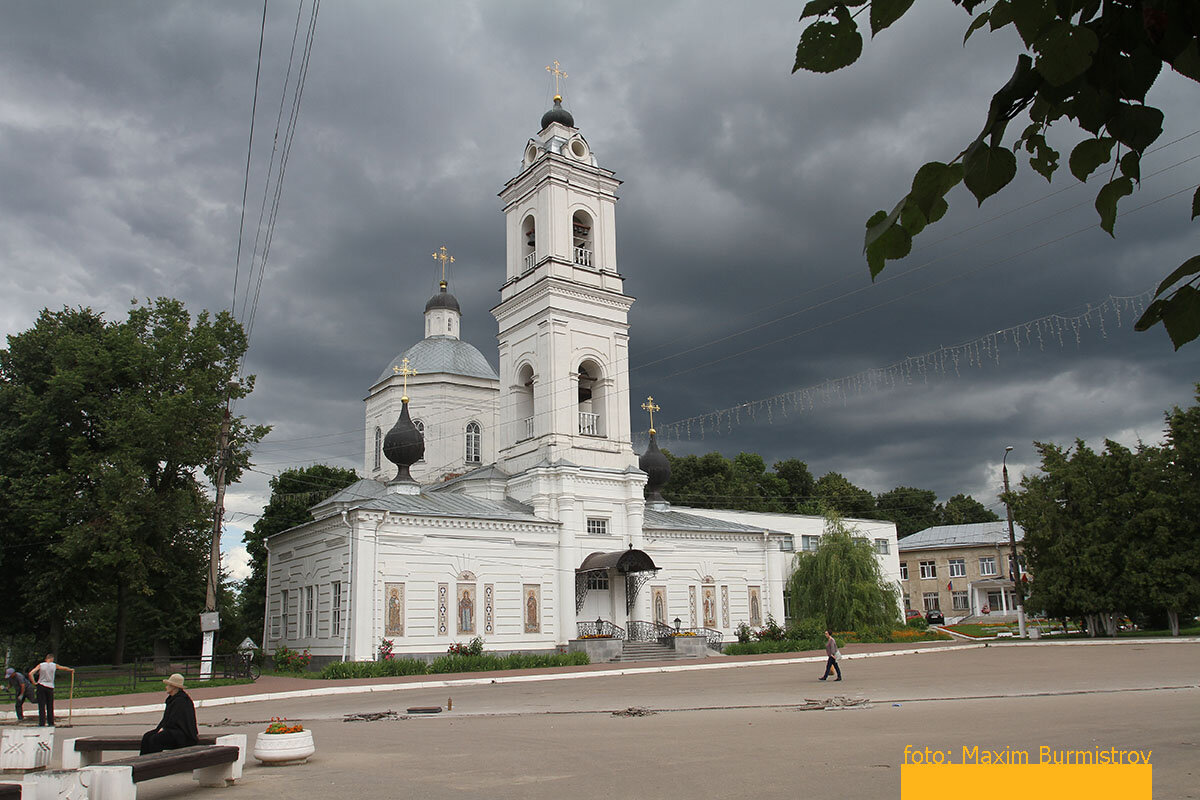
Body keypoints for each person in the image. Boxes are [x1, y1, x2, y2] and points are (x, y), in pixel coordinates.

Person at [139, 673, 199, 755]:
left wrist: (164, 729)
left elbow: (175, 720)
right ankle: (142, 762)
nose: (166, 687)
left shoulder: (181, 700)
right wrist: (160, 728)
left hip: (182, 734)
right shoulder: (172, 699)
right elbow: (166, 719)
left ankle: (153, 763)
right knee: (147, 736)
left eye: (168, 685)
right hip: (172, 730)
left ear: (174, 687)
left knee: (156, 739)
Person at [28, 653, 73, 726]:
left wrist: (34, 682)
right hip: (50, 687)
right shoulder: (54, 665)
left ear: (46, 659)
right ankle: (50, 722)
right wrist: (70, 670)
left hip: (41, 685)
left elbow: (30, 673)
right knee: (50, 705)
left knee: (41, 706)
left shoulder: (41, 665)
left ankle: (42, 723)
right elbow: (63, 668)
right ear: (52, 659)